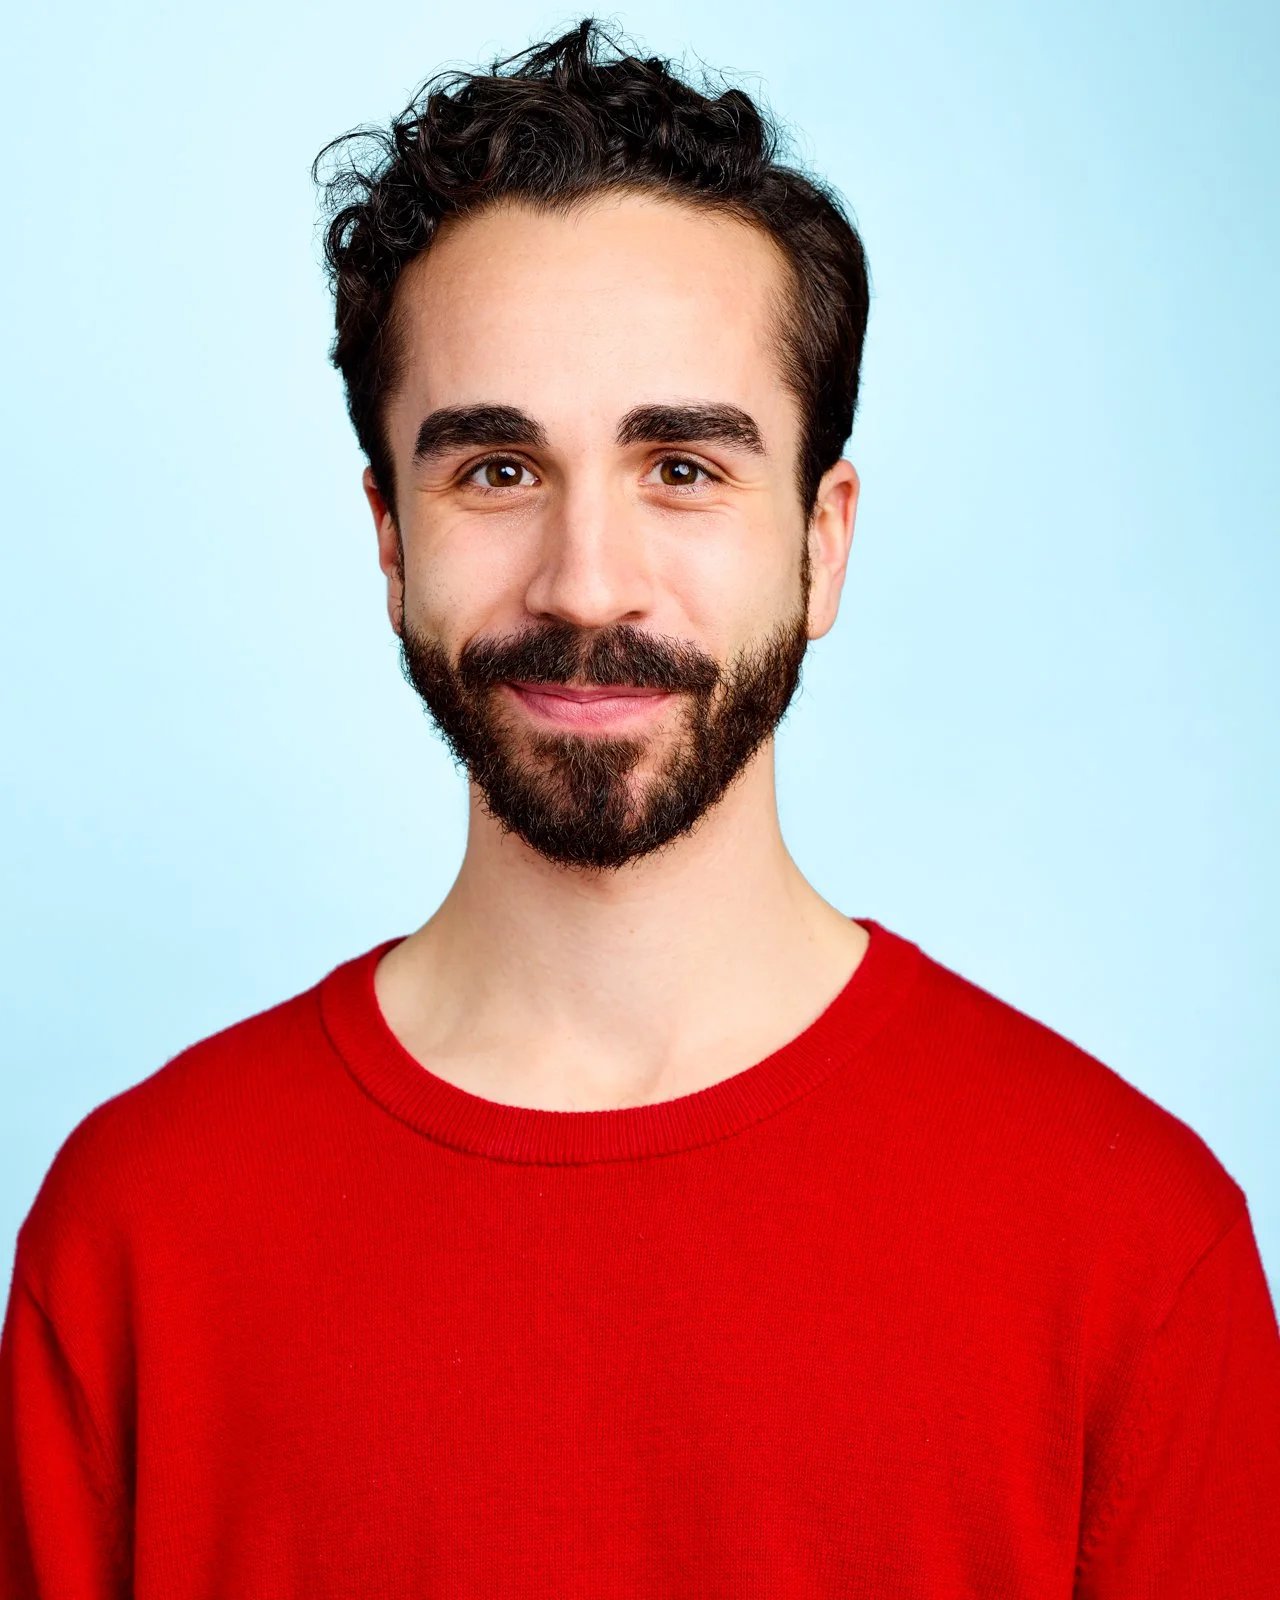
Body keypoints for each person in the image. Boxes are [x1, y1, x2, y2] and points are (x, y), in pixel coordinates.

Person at [2, 19, 1277, 1597]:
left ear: (824, 544)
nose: (585, 581)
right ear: (389, 544)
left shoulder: (1135, 1253)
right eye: (493, 471)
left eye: (682, 467)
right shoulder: (135, 1238)